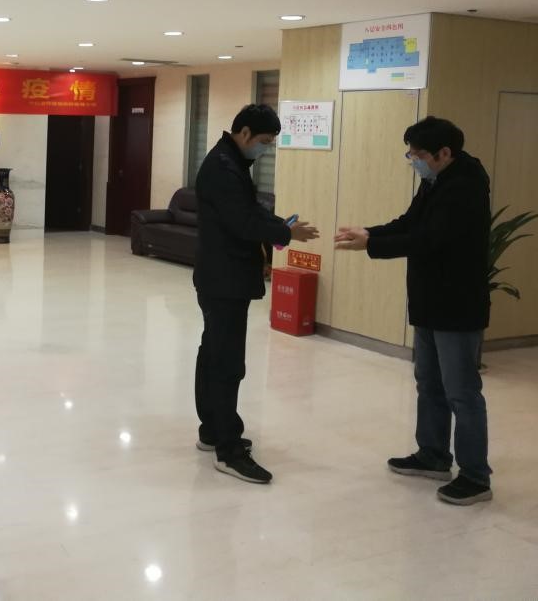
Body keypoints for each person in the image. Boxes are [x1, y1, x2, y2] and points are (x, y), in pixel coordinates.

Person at [335, 116, 492, 505]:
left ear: (444, 153)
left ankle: (475, 476)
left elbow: (429, 239)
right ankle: (433, 455)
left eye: (418, 154)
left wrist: (371, 247)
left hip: (456, 306)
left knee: (462, 392)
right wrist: (371, 233)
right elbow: (410, 222)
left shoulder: (465, 187)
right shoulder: (436, 179)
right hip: (428, 301)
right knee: (429, 383)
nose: (413, 160)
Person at [193, 104, 318, 484]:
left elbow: (249, 211)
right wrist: (285, 233)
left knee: (213, 352)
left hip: (220, 277)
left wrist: (279, 224)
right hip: (224, 279)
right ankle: (228, 450)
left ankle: (213, 429)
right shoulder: (224, 168)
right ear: (244, 132)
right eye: (264, 141)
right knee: (227, 361)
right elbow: (243, 222)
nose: (265, 149)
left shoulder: (230, 161)